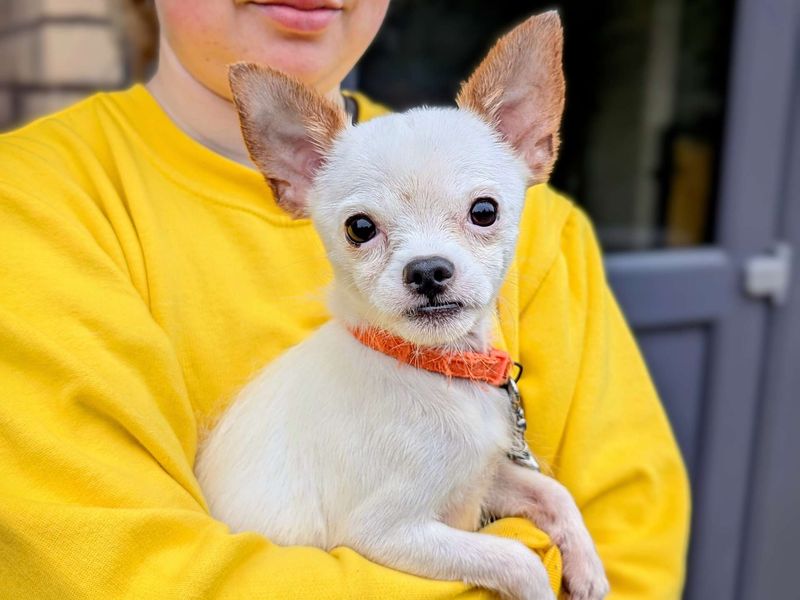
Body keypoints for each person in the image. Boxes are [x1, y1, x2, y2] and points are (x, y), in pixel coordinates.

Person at [0, 1, 690, 598]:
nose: (429, 269)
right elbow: (110, 575)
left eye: (479, 215)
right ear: (294, 173)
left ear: (531, 141)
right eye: (365, 230)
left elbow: (632, 543)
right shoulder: (31, 206)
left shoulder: (545, 228)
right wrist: (518, 564)